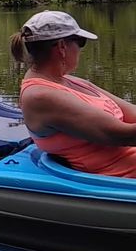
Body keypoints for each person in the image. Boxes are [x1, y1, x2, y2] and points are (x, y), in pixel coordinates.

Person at [11, 10, 136, 178]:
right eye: (81, 42)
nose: (80, 50)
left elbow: (132, 113)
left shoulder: (69, 81)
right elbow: (122, 136)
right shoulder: (41, 96)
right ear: (62, 46)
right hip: (122, 177)